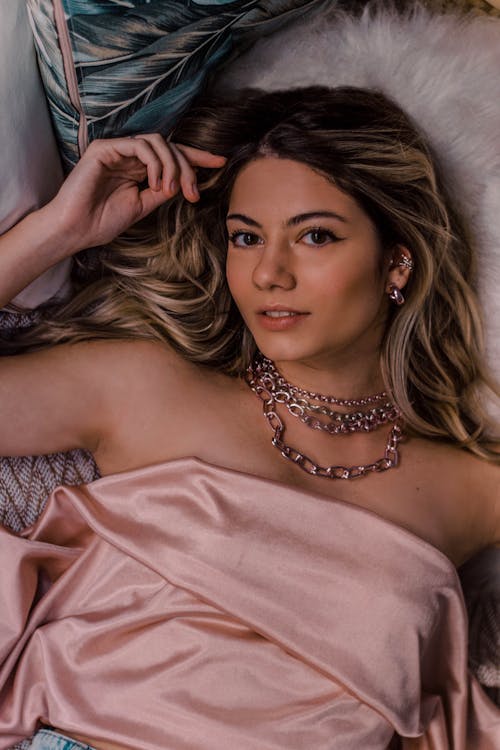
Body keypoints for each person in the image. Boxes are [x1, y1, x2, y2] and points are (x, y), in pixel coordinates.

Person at [0, 85, 499, 750]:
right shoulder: (145, 388)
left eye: (314, 236)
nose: (270, 273)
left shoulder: (466, 488)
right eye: (246, 237)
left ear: (395, 263)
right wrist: (56, 233)